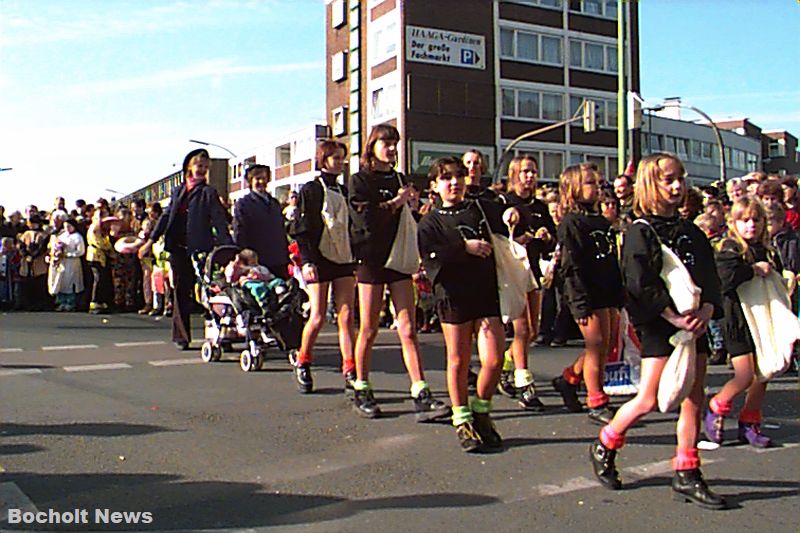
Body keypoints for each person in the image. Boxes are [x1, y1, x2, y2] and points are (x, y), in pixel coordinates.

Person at [590, 153, 725, 510]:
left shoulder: (692, 232)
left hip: (695, 325)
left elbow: (711, 280)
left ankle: (687, 471)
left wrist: (708, 310)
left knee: (695, 397)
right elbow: (638, 283)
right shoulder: (640, 232)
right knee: (649, 399)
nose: (677, 186)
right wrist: (672, 317)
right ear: (651, 183)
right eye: (668, 179)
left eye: (680, 177)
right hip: (658, 326)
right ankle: (606, 442)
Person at [347, 123, 449, 421]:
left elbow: (408, 217)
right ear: (372, 146)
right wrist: (396, 202)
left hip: (400, 260)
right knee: (369, 327)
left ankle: (420, 390)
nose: (391, 148)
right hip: (372, 260)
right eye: (386, 143)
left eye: (395, 143)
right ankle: (362, 387)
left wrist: (414, 206)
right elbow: (363, 217)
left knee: (408, 328)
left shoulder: (399, 178)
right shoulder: (359, 180)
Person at [418, 156, 512, 451]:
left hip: (485, 293)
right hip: (453, 296)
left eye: (458, 176)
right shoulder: (430, 222)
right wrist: (464, 247)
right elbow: (431, 257)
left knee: (494, 360)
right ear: (434, 186)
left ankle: (481, 409)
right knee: (458, 360)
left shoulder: (478, 209)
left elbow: (504, 219)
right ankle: (462, 419)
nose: (454, 183)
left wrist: (512, 215)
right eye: (446, 178)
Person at [706, 197, 785, 448]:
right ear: (734, 222)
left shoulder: (767, 249)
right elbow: (725, 280)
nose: (751, 225)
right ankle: (717, 406)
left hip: (761, 317)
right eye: (745, 220)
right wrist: (752, 270)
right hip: (736, 319)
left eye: (756, 220)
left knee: (763, 374)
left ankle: (750, 421)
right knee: (744, 374)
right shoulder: (730, 248)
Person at [138, 148, 232, 350]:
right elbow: (166, 217)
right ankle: (181, 335)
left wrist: (228, 249)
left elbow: (219, 220)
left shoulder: (209, 192)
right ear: (189, 166)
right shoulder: (178, 191)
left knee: (208, 291)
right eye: (199, 165)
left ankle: (220, 332)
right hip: (178, 248)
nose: (202, 170)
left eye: (205, 167)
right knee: (180, 292)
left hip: (200, 248)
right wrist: (150, 241)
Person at [551, 163, 623, 424]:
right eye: (590, 183)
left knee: (606, 345)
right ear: (573, 188)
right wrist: (579, 303)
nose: (597, 187)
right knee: (595, 345)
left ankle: (569, 379)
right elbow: (572, 267)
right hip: (585, 293)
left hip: (605, 291)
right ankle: (597, 400)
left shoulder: (601, 222)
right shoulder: (572, 223)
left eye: (597, 182)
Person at [289, 140, 357, 394]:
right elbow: (302, 229)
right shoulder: (311, 190)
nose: (340, 162)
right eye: (335, 158)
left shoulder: (344, 191)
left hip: (344, 258)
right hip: (318, 258)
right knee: (317, 315)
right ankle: (303, 360)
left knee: (347, 315)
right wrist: (307, 260)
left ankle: (350, 369)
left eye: (342, 158)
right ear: (323, 160)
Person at [496, 154, 555, 410]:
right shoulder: (504, 203)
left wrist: (545, 236)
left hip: (534, 270)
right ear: (514, 175)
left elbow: (551, 238)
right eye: (525, 172)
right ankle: (524, 382)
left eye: (533, 171)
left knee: (531, 330)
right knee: (520, 329)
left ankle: (504, 365)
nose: (530, 176)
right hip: (513, 272)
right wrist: (516, 239)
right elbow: (498, 237)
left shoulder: (540, 207)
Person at [232, 164, 290, 280]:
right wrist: (244, 257)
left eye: (264, 178)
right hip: (257, 261)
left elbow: (281, 230)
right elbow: (240, 232)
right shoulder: (243, 204)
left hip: (278, 259)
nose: (261, 182)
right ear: (250, 181)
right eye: (257, 179)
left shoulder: (274, 203)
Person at [224, 248, 281, 313]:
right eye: (253, 262)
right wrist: (236, 263)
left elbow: (270, 276)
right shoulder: (240, 270)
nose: (255, 264)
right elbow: (229, 278)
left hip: (264, 283)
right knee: (257, 288)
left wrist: (263, 276)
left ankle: (280, 292)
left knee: (278, 281)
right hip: (250, 285)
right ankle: (263, 301)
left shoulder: (258, 268)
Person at [47, 218, 85, 311]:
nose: (67, 228)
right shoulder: (62, 236)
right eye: (65, 226)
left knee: (70, 281)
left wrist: (68, 254)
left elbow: (80, 251)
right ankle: (61, 302)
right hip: (62, 262)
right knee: (61, 281)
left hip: (72, 262)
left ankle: (70, 302)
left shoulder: (77, 237)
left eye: (69, 226)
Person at [86, 210, 115, 314]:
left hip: (102, 256)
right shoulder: (94, 228)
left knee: (103, 279)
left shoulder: (102, 230)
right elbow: (99, 243)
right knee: (97, 278)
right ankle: (94, 301)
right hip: (95, 256)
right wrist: (109, 247)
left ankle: (102, 300)